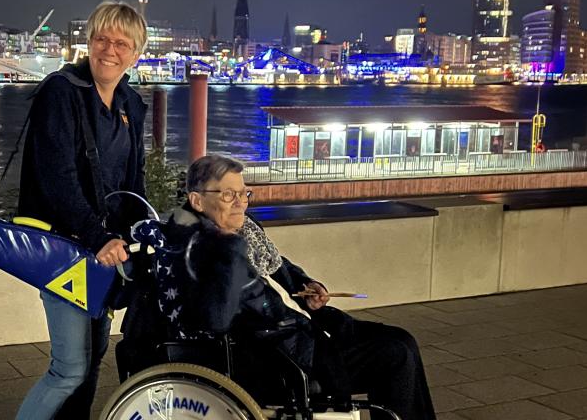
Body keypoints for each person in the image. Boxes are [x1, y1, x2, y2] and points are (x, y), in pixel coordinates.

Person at [122, 155, 435, 420]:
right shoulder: (201, 248)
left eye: (244, 194)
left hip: (289, 334)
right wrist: (231, 255)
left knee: (403, 341)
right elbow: (216, 318)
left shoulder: (241, 230)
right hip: (272, 358)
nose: (240, 203)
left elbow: (277, 265)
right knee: (396, 354)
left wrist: (304, 285)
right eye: (229, 195)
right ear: (197, 200)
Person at [14, 0, 148, 420]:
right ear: (88, 43)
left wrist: (144, 229)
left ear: (136, 54)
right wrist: (98, 236)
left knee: (91, 361)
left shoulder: (130, 104)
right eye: (101, 39)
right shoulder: (61, 92)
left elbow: (134, 180)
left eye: (121, 43)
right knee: (68, 369)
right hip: (66, 247)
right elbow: (56, 179)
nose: (110, 50)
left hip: (106, 252)